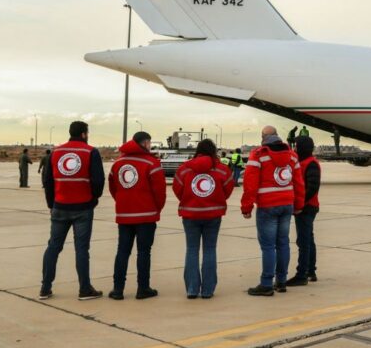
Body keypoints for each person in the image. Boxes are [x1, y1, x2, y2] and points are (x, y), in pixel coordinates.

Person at [40, 121, 105, 301]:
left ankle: (45, 287)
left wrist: (51, 204)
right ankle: (84, 289)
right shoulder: (90, 152)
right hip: (83, 207)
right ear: (84, 134)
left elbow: (48, 181)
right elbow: (98, 180)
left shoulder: (56, 153)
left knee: (53, 246)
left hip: (60, 206)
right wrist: (94, 198)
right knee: (82, 249)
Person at [242, 126, 304, 296]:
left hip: (267, 206)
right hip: (287, 204)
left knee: (268, 246)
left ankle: (266, 283)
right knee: (283, 243)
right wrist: (298, 205)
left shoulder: (259, 154)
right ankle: (282, 281)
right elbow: (298, 182)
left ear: (263, 137)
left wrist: (246, 207)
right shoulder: (292, 155)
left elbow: (250, 183)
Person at [107, 131, 166, 301]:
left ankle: (118, 289)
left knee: (122, 252)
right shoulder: (152, 163)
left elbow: (113, 187)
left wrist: (122, 202)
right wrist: (157, 209)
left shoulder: (118, 163)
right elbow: (159, 191)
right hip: (146, 216)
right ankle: (143, 288)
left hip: (124, 215)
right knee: (144, 252)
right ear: (145, 143)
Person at [173, 139, 233, 299]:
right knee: (210, 249)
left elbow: (177, 188)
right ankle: (207, 290)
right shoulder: (222, 169)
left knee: (191, 250)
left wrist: (187, 200)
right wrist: (218, 200)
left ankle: (192, 289)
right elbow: (228, 189)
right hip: (213, 215)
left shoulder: (184, 169)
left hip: (190, 214)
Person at [286, 136, 320, 286]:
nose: (295, 149)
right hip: (305, 206)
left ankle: (302, 274)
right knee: (308, 240)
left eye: (297, 146)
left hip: (306, 207)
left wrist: (299, 204)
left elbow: (312, 188)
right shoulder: (302, 162)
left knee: (303, 241)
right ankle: (311, 270)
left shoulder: (311, 164)